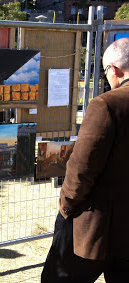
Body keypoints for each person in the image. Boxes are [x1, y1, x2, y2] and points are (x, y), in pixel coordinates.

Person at [41, 38, 129, 282]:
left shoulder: (107, 104)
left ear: (113, 70)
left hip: (95, 227)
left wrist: (66, 207)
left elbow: (81, 169)